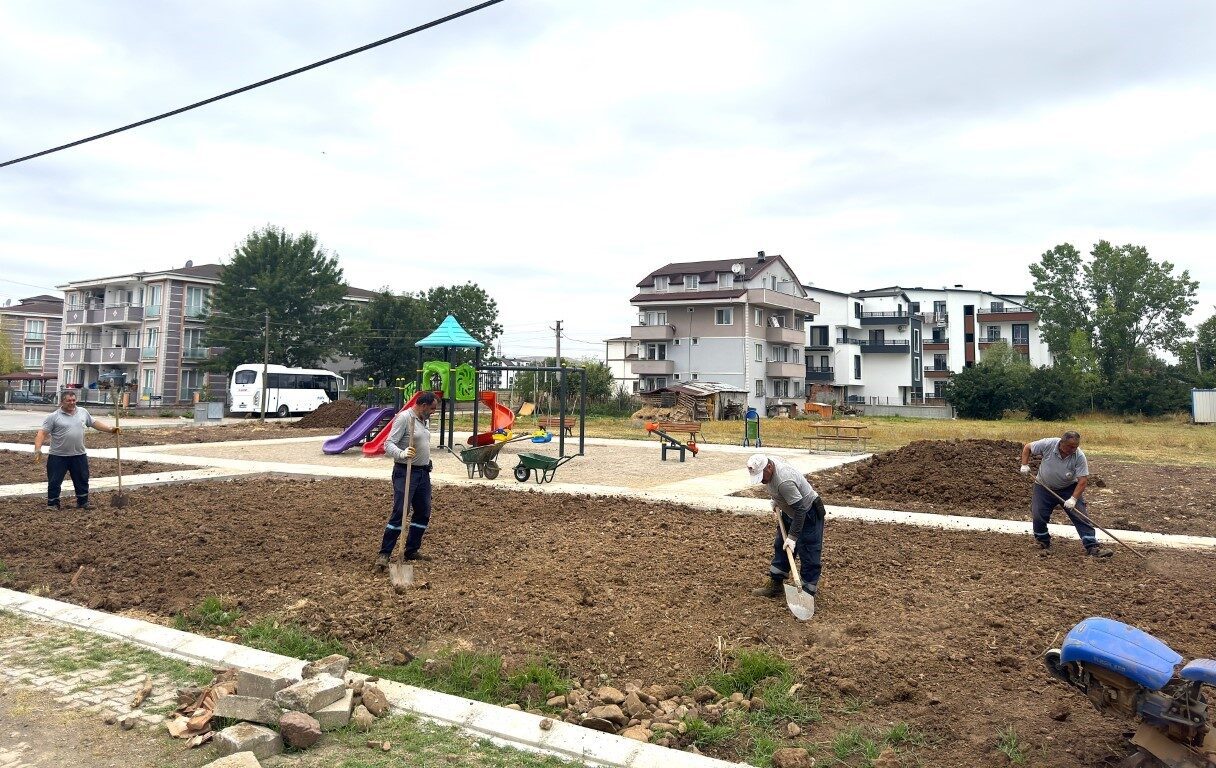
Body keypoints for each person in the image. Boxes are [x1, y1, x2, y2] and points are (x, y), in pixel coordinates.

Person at [746, 453, 826, 598]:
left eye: (762, 476)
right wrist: (778, 499)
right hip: (790, 510)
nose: (762, 480)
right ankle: (776, 584)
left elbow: (801, 509)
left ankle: (807, 593)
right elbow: (775, 486)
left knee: (808, 551)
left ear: (769, 467)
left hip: (808, 513)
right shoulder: (770, 468)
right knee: (781, 546)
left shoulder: (784, 481)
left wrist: (793, 537)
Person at [375, 392, 440, 569]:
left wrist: (426, 461)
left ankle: (411, 549)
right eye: (433, 408)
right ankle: (384, 554)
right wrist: (402, 454)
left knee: (423, 511)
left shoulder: (422, 420)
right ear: (424, 405)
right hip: (405, 472)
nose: (434, 412)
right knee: (400, 512)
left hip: (422, 473)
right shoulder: (404, 418)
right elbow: (388, 444)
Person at [1021, 430, 1111, 558]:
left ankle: (1092, 546)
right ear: (1061, 443)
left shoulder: (1079, 456)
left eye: (1076, 447)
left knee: (1080, 516)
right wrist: (1024, 465)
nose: (1073, 449)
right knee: (1038, 513)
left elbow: (1083, 480)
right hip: (1043, 486)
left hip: (1069, 488)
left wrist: (1073, 499)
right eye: (1070, 446)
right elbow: (1027, 447)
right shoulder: (1048, 444)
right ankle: (1042, 541)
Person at [33, 390, 119, 510]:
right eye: (68, 400)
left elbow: (94, 423)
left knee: (82, 479)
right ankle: (53, 504)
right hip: (58, 456)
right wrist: (38, 449)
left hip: (79, 455)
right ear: (62, 402)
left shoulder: (83, 412)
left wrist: (111, 429)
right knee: (54, 481)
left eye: (73, 400)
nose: (72, 403)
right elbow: (42, 433)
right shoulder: (53, 417)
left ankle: (83, 502)